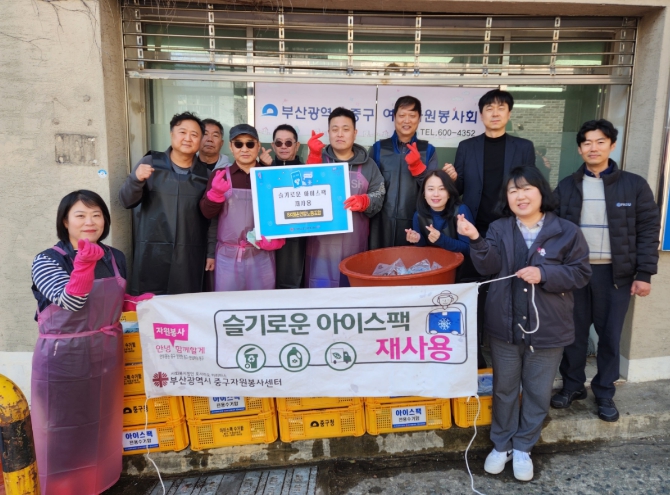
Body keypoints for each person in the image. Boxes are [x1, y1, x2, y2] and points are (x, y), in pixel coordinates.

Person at [457, 166, 591, 482]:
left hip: (548, 328)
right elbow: (488, 266)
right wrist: (475, 238)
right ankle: (501, 444)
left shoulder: (567, 231)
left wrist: (545, 274)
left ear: (541, 191)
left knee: (537, 390)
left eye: (527, 188)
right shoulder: (499, 228)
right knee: (504, 389)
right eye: (513, 190)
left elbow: (581, 273)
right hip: (503, 326)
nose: (520, 196)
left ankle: (523, 447)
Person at [30, 190, 150, 495]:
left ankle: (99, 482)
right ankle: (61, 487)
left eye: (97, 215)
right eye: (80, 215)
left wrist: (139, 303)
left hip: (105, 354)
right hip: (62, 358)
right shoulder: (47, 260)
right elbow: (71, 301)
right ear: (65, 221)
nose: (90, 222)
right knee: (60, 428)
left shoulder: (114, 257)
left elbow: (115, 300)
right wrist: (83, 263)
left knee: (102, 423)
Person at [551, 119, 660, 422]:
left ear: (612, 145)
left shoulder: (634, 185)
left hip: (615, 275)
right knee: (572, 335)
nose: (593, 147)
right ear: (579, 148)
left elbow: (648, 231)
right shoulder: (567, 186)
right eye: (587, 142)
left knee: (609, 336)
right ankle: (573, 385)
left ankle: (604, 391)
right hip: (575, 273)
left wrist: (644, 274)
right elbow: (553, 230)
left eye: (600, 142)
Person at [443, 89, 536, 367]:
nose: (495, 113)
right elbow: (458, 190)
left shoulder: (523, 147)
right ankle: (475, 353)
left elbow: (529, 187)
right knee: (474, 291)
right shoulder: (467, 147)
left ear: (509, 113)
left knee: (508, 289)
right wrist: (452, 179)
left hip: (511, 229)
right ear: (481, 114)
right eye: (489, 109)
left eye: (501, 108)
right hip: (475, 230)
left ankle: (508, 350)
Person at [119, 111, 212, 295]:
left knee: (186, 301)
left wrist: (211, 253)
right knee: (150, 301)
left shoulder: (206, 175)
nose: (188, 138)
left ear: (200, 140)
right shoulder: (151, 163)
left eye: (194, 134)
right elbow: (126, 201)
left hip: (189, 254)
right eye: (182, 132)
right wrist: (136, 180)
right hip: (152, 250)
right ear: (171, 134)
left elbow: (212, 219)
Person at [305, 107, 385, 287]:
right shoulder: (318, 158)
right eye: (335, 129)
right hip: (319, 248)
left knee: (351, 291)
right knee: (319, 292)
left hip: (355, 246)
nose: (340, 134)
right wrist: (313, 160)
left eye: (345, 129)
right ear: (328, 132)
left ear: (355, 133)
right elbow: (302, 193)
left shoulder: (369, 165)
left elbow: (379, 195)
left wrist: (365, 201)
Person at [200, 124, 285, 291]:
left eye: (250, 144)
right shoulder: (220, 175)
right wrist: (215, 194)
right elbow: (208, 215)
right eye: (238, 144)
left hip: (262, 254)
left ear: (258, 146)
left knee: (261, 302)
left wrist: (278, 236)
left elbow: (282, 213)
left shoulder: (269, 176)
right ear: (231, 147)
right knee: (227, 303)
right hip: (227, 256)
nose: (244, 149)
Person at [369, 96, 439, 250]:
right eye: (402, 115)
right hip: (380, 224)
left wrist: (419, 168)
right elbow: (368, 185)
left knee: (409, 263)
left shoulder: (428, 150)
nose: (407, 120)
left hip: (415, 224)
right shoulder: (379, 148)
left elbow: (434, 190)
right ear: (394, 117)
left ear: (419, 119)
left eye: (412, 115)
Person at [259, 124, 308, 289]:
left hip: (300, 239)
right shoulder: (263, 170)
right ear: (273, 146)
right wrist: (262, 167)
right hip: (269, 238)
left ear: (297, 145)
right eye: (279, 143)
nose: (283, 147)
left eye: (288, 143)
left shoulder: (308, 172)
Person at [405, 169, 474, 260]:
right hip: (432, 264)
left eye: (442, 189)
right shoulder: (418, 215)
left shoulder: (461, 211)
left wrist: (441, 239)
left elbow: (469, 248)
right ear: (424, 193)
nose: (436, 194)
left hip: (458, 265)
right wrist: (417, 239)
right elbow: (422, 247)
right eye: (431, 189)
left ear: (449, 193)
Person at [196, 118, 230, 289]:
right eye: (205, 134)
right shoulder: (185, 168)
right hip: (189, 239)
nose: (209, 139)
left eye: (215, 135)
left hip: (220, 244)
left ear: (222, 143)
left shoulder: (229, 173)